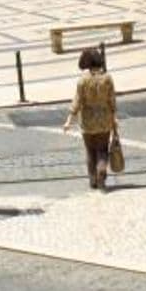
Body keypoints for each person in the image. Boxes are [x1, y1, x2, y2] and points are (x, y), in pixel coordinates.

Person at [62, 47, 117, 190]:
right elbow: (112, 101)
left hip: (87, 122)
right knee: (103, 150)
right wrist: (114, 118)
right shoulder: (107, 78)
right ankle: (102, 170)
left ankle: (93, 180)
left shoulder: (82, 81)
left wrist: (69, 120)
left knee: (90, 151)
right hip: (104, 120)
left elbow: (77, 101)